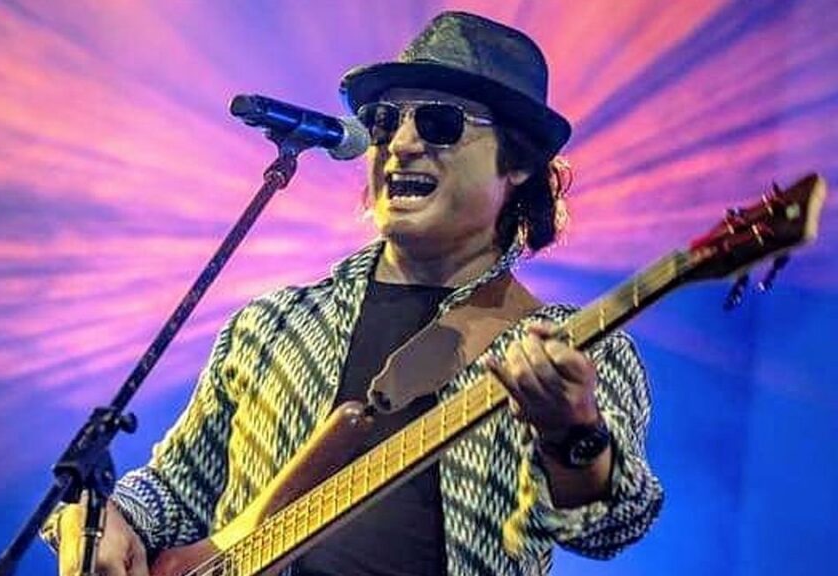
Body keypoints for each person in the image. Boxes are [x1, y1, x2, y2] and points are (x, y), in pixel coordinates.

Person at [44, 11, 663, 576]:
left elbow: (611, 526)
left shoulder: (573, 350)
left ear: (518, 162)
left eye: (440, 122)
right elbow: (176, 491)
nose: (401, 143)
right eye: (385, 121)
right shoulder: (273, 326)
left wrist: (572, 433)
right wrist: (100, 518)